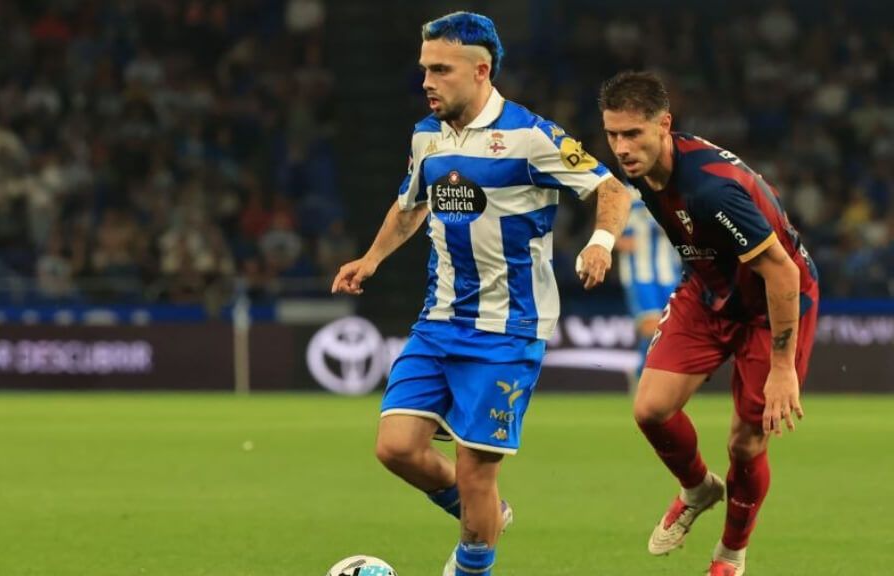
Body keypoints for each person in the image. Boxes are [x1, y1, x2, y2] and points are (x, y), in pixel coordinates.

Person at [331, 12, 631, 576]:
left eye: (441, 70)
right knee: (396, 447)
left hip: (507, 333)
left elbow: (611, 188)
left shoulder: (531, 136)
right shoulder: (426, 135)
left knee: (476, 477)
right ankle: (487, 514)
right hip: (439, 321)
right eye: (425, 69)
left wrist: (601, 242)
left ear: (481, 71)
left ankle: (475, 547)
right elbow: (410, 205)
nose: (427, 81)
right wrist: (371, 259)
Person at [598, 71, 819, 576]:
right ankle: (698, 488)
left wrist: (782, 366)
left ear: (664, 125)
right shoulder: (643, 171)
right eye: (613, 134)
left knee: (745, 442)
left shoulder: (710, 189)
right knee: (651, 409)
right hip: (708, 288)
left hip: (770, 304)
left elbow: (783, 273)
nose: (622, 148)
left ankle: (730, 555)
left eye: (633, 134)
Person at [616, 188, 680, 385]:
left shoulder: (672, 190)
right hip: (639, 273)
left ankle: (651, 376)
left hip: (670, 273)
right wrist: (617, 239)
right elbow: (608, 228)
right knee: (651, 327)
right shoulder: (624, 193)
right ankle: (643, 376)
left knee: (671, 330)